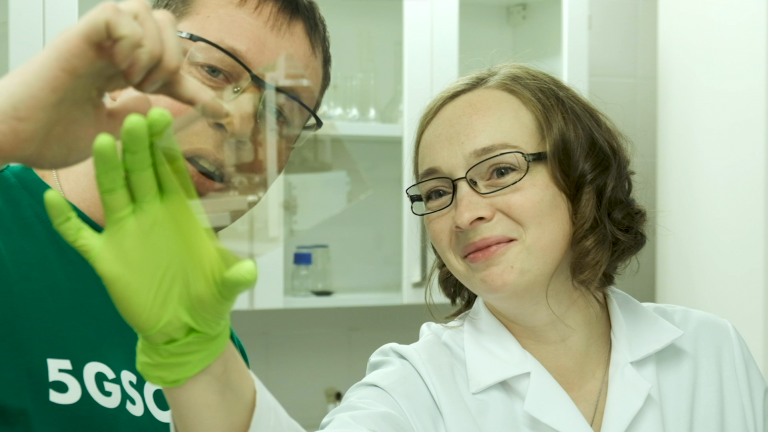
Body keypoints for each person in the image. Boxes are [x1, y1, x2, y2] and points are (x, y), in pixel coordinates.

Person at [60, 62, 767, 431]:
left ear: (583, 175)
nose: (465, 211)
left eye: (499, 171)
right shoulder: (415, 386)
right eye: (436, 190)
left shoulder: (712, 352)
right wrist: (196, 356)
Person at [0, 0, 330, 430]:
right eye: (214, 71)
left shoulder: (209, 345)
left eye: (281, 114)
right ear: (121, 69)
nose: (242, 125)